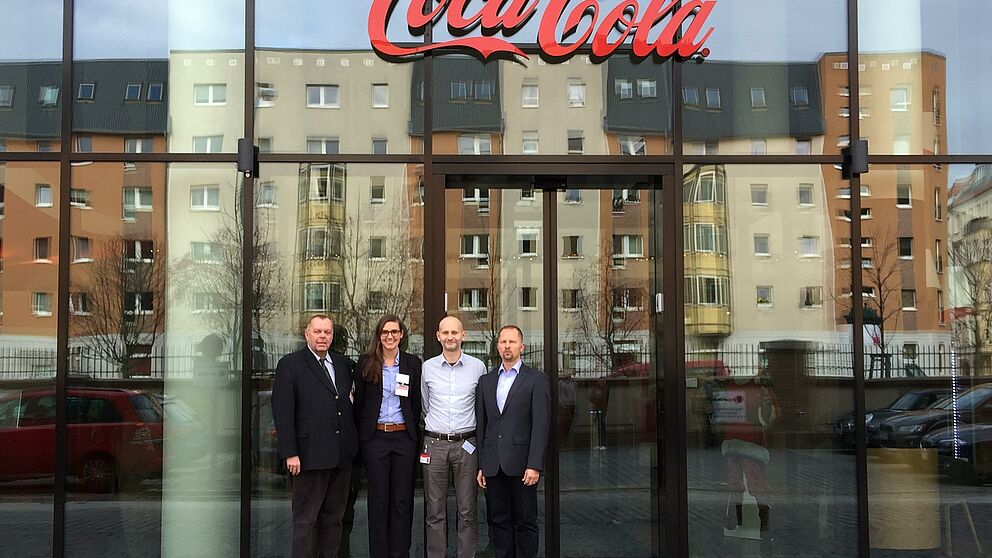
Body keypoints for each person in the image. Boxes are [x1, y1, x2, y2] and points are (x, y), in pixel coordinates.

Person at [271, 315, 358, 558]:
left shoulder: (342, 365)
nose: (323, 336)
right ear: (307, 334)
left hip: (340, 458)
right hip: (308, 458)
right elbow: (283, 411)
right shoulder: (291, 364)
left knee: (334, 520)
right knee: (305, 521)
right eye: (317, 331)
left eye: (327, 332)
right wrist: (290, 452)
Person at [475, 325, 551, 558]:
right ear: (497, 346)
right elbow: (483, 425)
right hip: (494, 465)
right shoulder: (486, 381)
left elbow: (541, 425)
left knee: (526, 521)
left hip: (522, 466)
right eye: (503, 342)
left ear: (522, 346)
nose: (507, 346)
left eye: (512, 342)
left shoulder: (536, 379)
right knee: (499, 521)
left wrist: (534, 464)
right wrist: (482, 464)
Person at [354, 314, 422, 558]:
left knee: (402, 502)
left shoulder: (413, 364)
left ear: (402, 335)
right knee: (378, 502)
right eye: (385, 332)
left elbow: (416, 403)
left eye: (394, 332)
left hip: (404, 438)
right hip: (376, 439)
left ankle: (400, 553)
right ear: (379, 336)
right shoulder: (366, 363)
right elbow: (359, 405)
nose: (390, 336)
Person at [422, 315, 488, 558]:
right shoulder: (427, 367)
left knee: (468, 509)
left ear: (463, 335)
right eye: (445, 333)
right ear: (438, 336)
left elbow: (481, 406)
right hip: (434, 444)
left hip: (467, 444)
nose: (450, 337)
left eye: (455, 332)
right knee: (434, 510)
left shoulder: (478, 367)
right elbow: (426, 405)